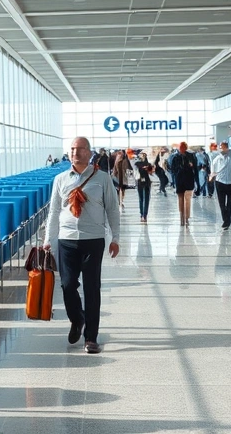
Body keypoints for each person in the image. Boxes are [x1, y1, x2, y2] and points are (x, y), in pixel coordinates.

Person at [43, 136, 120, 354]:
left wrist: (115, 238)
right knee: (67, 285)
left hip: (93, 239)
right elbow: (54, 211)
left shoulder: (103, 179)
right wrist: (49, 239)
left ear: (89, 153)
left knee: (91, 288)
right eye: (72, 149)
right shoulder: (60, 179)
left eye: (79, 149)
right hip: (66, 239)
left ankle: (91, 337)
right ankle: (77, 319)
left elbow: (112, 209)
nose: (75, 153)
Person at [209, 142, 231, 230]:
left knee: (229, 204)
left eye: (223, 147)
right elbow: (213, 168)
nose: (221, 149)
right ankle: (226, 220)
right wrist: (212, 176)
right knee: (222, 204)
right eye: (220, 147)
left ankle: (227, 220)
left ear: (227, 148)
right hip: (220, 182)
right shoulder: (217, 158)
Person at [169, 142, 199, 226]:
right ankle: (183, 217)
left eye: (183, 147)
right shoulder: (175, 157)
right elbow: (172, 169)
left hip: (188, 180)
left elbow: (195, 169)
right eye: (181, 147)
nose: (182, 149)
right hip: (180, 180)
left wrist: (197, 182)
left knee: (186, 199)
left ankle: (186, 218)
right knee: (181, 199)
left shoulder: (191, 156)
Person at [133, 152, 154, 223]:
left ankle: (143, 215)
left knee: (142, 199)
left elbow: (151, 173)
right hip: (144, 182)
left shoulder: (147, 164)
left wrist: (148, 169)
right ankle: (143, 215)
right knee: (144, 199)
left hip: (142, 182)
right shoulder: (139, 164)